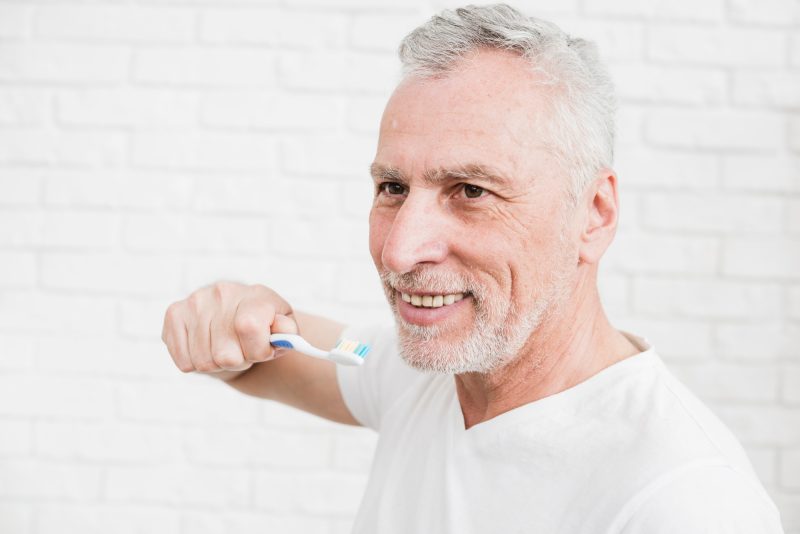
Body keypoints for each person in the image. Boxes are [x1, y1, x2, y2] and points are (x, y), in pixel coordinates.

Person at [161, 5, 785, 533]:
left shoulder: (685, 501)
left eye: (470, 191)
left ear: (593, 214)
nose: (401, 252)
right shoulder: (430, 368)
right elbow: (286, 350)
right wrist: (234, 317)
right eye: (393, 187)